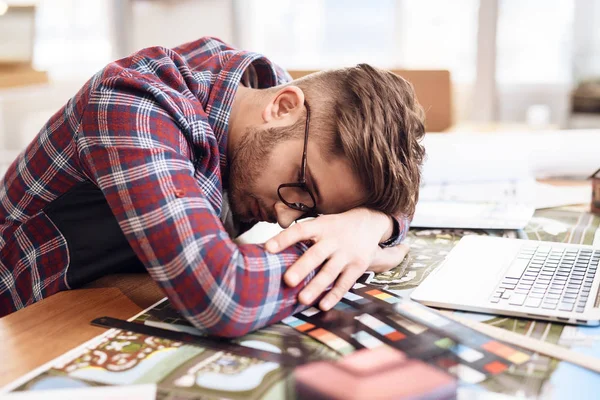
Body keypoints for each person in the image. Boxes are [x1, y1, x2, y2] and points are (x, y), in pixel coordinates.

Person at [0, 37, 425, 337]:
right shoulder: (133, 104)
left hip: (109, 299)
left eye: (313, 213)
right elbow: (222, 296)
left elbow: (388, 197)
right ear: (283, 106)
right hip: (24, 329)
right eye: (301, 187)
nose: (285, 215)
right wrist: (342, 259)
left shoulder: (266, 104)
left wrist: (372, 223)